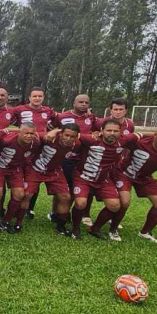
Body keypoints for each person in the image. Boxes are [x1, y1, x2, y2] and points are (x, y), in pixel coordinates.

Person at [111, 126, 157, 244]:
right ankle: (113, 229)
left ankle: (145, 232)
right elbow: (121, 141)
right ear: (155, 135)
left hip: (145, 177)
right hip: (124, 173)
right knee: (125, 201)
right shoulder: (140, 141)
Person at [70, 119, 138, 240]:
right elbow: (70, 134)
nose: (112, 133)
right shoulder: (91, 139)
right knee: (80, 203)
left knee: (115, 206)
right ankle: (75, 228)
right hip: (83, 177)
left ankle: (95, 228)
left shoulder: (124, 140)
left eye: (115, 131)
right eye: (108, 130)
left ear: (120, 132)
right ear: (101, 131)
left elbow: (143, 135)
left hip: (103, 180)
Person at [24, 124, 80, 236]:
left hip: (55, 171)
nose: (68, 139)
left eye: (72, 136)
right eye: (66, 135)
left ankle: (61, 226)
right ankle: (18, 220)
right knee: (27, 194)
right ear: (61, 134)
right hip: (36, 169)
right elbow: (22, 133)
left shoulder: (77, 144)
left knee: (66, 197)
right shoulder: (48, 137)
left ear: (76, 137)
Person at [10, 87, 56, 219]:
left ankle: (29, 208)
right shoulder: (19, 109)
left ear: (43, 98)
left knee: (34, 178)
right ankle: (15, 206)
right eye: (34, 96)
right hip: (23, 147)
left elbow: (58, 121)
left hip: (40, 149)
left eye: (40, 96)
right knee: (19, 176)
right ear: (29, 97)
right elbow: (7, 117)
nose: (37, 98)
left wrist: (51, 131)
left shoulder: (48, 111)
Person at [54, 94, 99, 226]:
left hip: (83, 159)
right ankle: (55, 213)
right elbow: (53, 130)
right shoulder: (62, 117)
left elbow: (96, 133)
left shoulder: (92, 118)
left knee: (77, 188)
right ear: (74, 103)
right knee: (62, 188)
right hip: (64, 158)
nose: (83, 104)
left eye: (86, 102)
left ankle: (69, 213)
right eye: (80, 102)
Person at [0, 122, 40, 233]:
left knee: (19, 194)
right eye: (26, 133)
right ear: (19, 132)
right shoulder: (6, 140)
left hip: (15, 169)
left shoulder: (35, 143)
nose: (29, 136)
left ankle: (6, 221)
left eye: (32, 133)